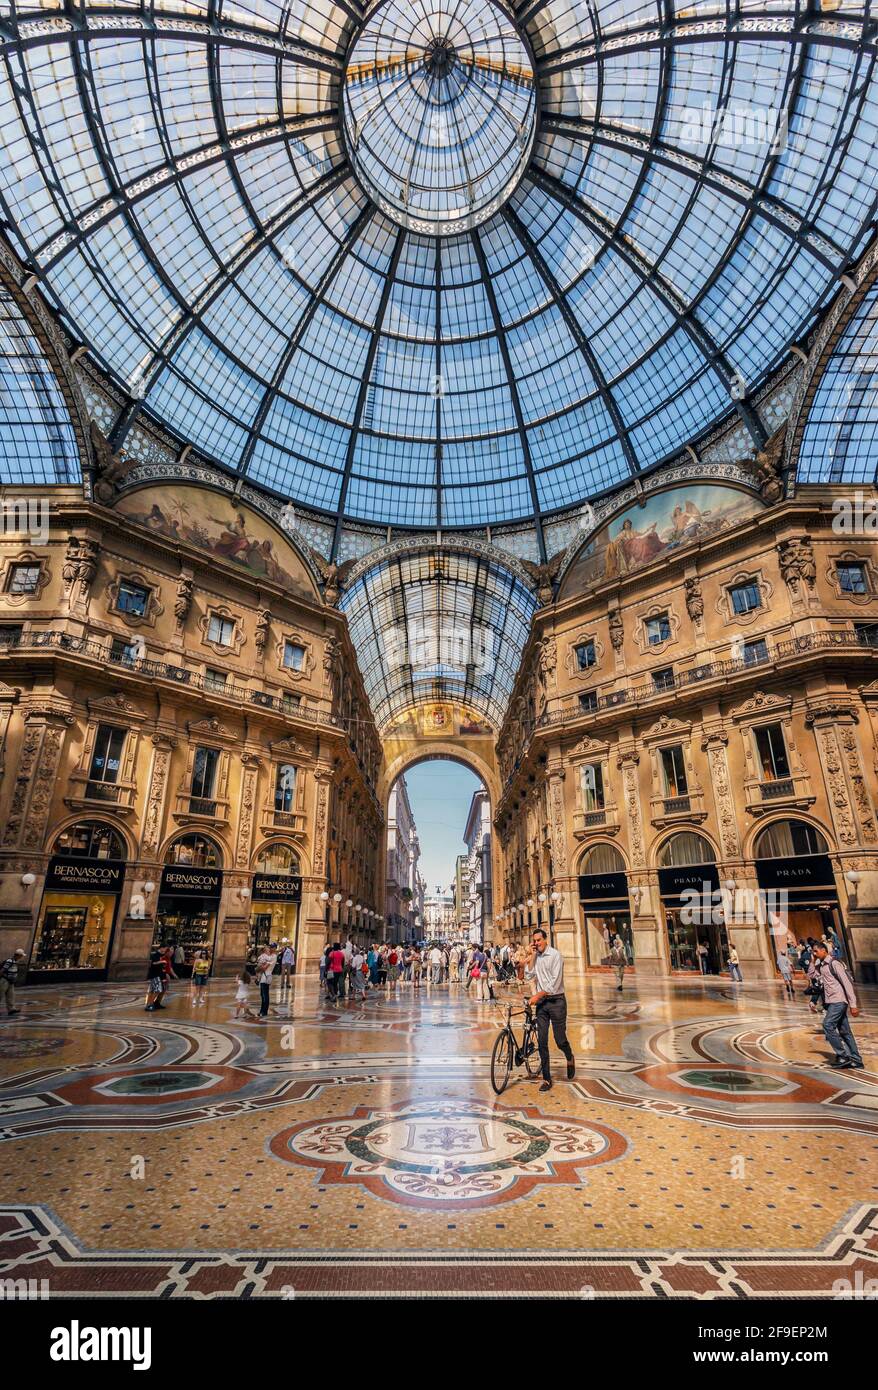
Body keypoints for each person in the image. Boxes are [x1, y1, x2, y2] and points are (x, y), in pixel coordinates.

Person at [525, 929, 575, 1092]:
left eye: (539, 940)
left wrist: (536, 996)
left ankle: (569, 1056)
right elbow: (528, 975)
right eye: (534, 941)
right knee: (542, 1041)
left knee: (560, 1039)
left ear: (546, 940)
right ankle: (547, 1079)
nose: (536, 943)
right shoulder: (536, 956)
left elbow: (554, 984)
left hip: (557, 1001)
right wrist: (532, 955)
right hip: (542, 1004)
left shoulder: (555, 956)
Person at [809, 942, 863, 1069]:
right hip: (831, 1001)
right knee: (845, 1032)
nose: (814, 953)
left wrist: (853, 1004)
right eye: (813, 952)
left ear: (823, 950)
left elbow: (847, 983)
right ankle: (856, 1059)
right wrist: (813, 961)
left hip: (838, 1001)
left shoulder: (834, 963)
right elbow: (811, 975)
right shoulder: (821, 965)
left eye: (816, 951)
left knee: (827, 1025)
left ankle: (842, 1055)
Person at [0, 949, 26, 1016]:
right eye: (21, 956)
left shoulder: (15, 962)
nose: (21, 957)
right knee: (0, 995)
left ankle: (11, 1009)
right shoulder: (10, 961)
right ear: (18, 955)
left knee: (11, 996)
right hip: (4, 981)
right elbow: (2, 970)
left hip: (11, 982)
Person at [255, 944, 276, 1017]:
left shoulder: (273, 956)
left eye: (272, 948)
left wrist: (259, 967)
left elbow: (264, 968)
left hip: (266, 976)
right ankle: (262, 1011)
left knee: (265, 995)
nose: (270, 949)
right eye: (270, 947)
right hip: (263, 977)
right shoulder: (268, 956)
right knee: (262, 994)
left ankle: (264, 1011)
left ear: (275, 948)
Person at [145, 947, 165, 1012]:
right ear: (162, 947)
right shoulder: (155, 955)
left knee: (152, 990)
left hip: (155, 975)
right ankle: (150, 1004)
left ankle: (148, 1004)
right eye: (165, 948)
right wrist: (161, 961)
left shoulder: (159, 955)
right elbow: (153, 963)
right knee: (157, 989)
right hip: (155, 975)